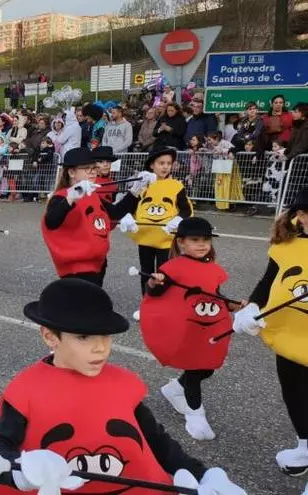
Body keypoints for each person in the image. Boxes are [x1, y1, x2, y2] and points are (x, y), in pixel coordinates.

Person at [0, 278, 247, 495]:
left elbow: (157, 440)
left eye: (105, 336)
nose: (100, 347)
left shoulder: (123, 385)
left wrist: (202, 475)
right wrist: (18, 469)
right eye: (83, 337)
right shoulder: (27, 389)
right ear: (50, 337)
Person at [231, 187, 308, 492]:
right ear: (298, 217)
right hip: (289, 336)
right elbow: (268, 281)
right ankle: (305, 444)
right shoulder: (287, 246)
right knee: (295, 394)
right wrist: (251, 306)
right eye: (304, 215)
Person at [140, 217, 243, 441]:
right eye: (195, 240)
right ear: (181, 243)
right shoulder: (171, 268)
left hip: (208, 328)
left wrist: (231, 304)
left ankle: (175, 388)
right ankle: (195, 414)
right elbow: (156, 293)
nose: (202, 244)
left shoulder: (213, 268)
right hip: (186, 328)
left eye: (206, 239)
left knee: (208, 367)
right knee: (196, 370)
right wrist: (154, 283)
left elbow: (214, 295)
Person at [41, 148, 146, 287]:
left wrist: (135, 191)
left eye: (93, 168)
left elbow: (114, 213)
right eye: (86, 168)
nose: (92, 172)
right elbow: (52, 221)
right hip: (77, 267)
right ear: (71, 172)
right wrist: (70, 198)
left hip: (97, 262)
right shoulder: (61, 196)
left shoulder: (92, 194)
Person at [118, 149, 193, 320]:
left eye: (168, 163)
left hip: (166, 240)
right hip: (145, 237)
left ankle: (164, 304)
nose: (165, 167)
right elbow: (129, 205)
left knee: (164, 273)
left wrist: (178, 220)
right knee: (145, 271)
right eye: (161, 163)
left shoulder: (176, 186)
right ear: (152, 165)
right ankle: (147, 303)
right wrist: (127, 217)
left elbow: (186, 210)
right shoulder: (142, 184)